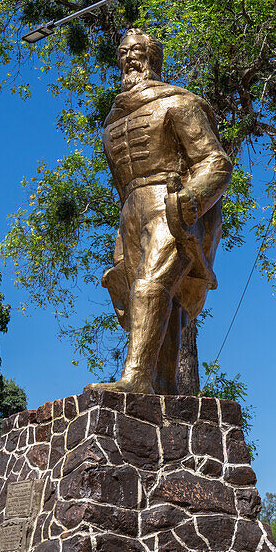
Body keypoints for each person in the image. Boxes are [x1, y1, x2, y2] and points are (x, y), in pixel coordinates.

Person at [88, 28, 233, 395]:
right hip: (131, 212)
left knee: (150, 286)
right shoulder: (113, 121)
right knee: (151, 301)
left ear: (153, 57)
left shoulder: (178, 103)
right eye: (122, 52)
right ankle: (165, 387)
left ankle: (136, 378)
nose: (128, 58)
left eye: (136, 51)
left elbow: (216, 162)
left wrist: (189, 202)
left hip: (171, 206)